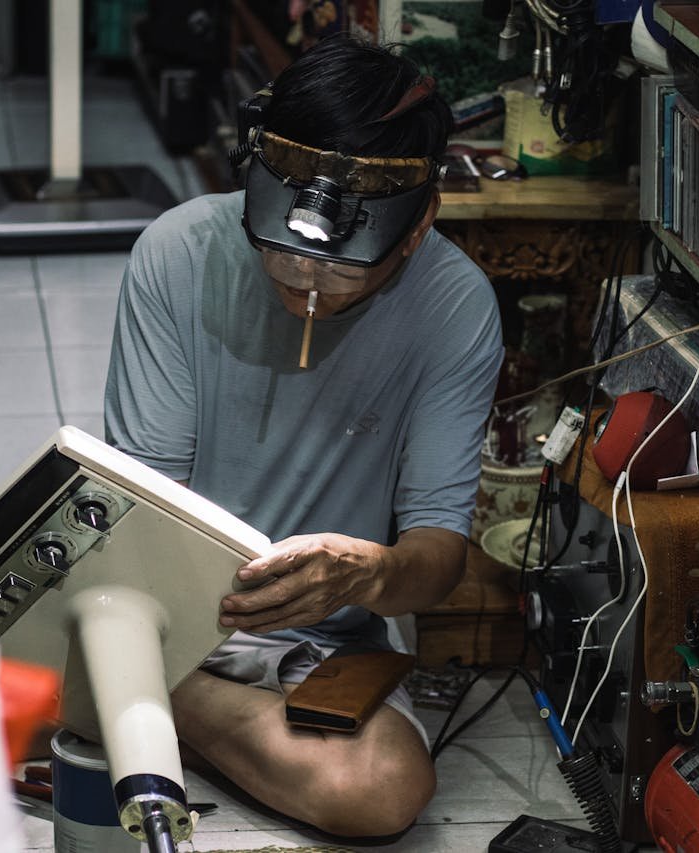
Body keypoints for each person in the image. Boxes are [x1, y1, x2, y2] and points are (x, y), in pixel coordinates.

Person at [104, 35, 503, 837]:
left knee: (385, 784)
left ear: (419, 221)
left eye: (341, 263)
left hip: (319, 643)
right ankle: (123, 686)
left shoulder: (454, 309)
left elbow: (437, 554)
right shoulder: (180, 253)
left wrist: (368, 574)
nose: (306, 275)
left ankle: (120, 705)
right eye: (281, 247)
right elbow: (140, 511)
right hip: (167, 612)